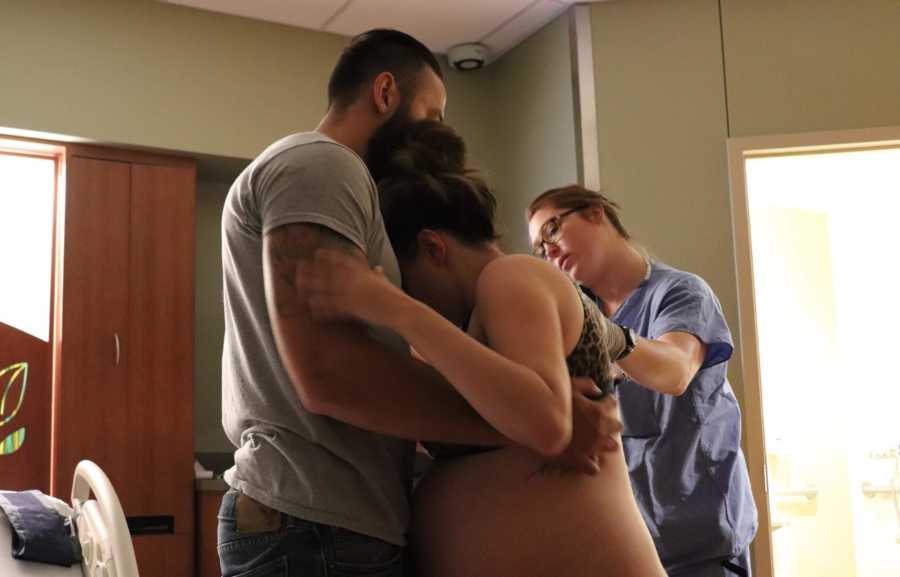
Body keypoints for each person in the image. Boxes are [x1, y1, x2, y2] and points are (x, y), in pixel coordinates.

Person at [219, 30, 620, 577]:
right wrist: (533, 423)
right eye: (434, 113)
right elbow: (330, 374)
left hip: (323, 525)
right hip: (312, 525)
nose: (440, 133)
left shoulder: (336, 179)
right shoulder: (322, 164)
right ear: (386, 92)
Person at [299, 120, 667, 577]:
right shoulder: (469, 332)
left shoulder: (512, 277)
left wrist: (394, 308)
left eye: (408, 283)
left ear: (433, 248)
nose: (413, 297)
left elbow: (546, 423)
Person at [527, 185, 758, 577]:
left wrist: (611, 337)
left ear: (597, 213)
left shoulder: (681, 294)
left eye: (551, 230)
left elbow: (675, 372)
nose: (548, 251)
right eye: (538, 248)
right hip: (627, 549)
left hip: (701, 547)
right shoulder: (575, 318)